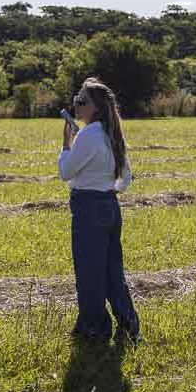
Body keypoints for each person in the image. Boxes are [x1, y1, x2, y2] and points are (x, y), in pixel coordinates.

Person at [58, 77, 140, 344]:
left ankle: (94, 329)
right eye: (76, 100)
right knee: (113, 271)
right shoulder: (111, 132)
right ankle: (128, 325)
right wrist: (106, 187)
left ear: (95, 107)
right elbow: (125, 180)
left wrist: (66, 144)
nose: (76, 105)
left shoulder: (87, 135)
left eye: (82, 101)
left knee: (89, 273)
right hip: (110, 206)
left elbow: (66, 172)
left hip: (88, 207)